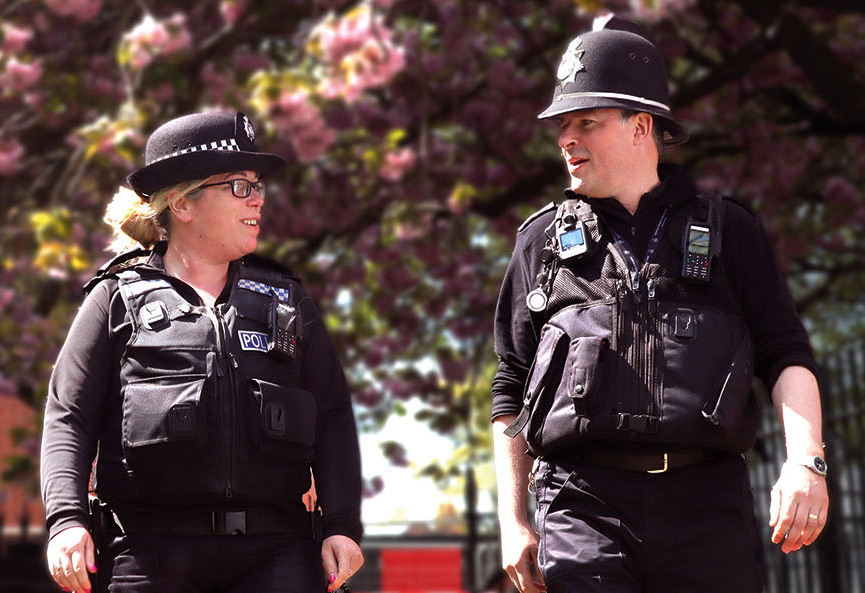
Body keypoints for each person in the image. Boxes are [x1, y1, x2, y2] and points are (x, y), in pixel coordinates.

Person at [491, 16, 829, 593]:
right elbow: (511, 387)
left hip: (707, 505)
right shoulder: (538, 243)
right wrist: (512, 521)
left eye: (587, 122)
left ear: (640, 125)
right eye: (562, 125)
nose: (566, 139)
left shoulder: (731, 231)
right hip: (580, 504)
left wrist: (806, 462)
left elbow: (786, 355)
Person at [40, 111, 364, 593]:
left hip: (277, 554)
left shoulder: (288, 301)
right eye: (238, 186)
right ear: (183, 205)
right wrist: (67, 520)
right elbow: (68, 417)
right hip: (146, 556)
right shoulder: (114, 301)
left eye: (258, 185)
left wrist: (341, 524)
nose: (257, 198)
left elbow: (332, 415)